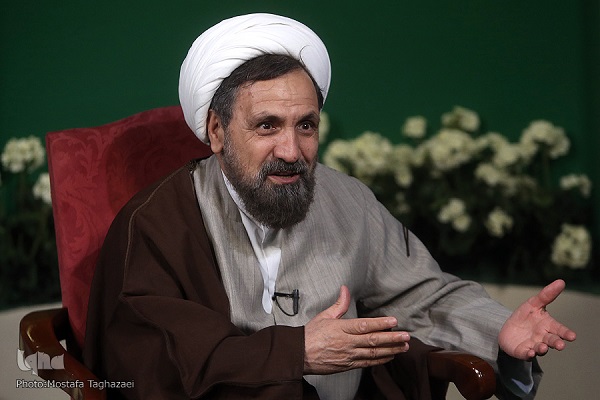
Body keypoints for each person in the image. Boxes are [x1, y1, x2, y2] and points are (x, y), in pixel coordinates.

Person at [83, 13, 576, 400]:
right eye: (267, 126)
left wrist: (498, 329)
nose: (291, 151)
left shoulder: (347, 200)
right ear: (217, 131)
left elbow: (422, 295)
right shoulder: (157, 223)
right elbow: (150, 364)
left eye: (306, 126)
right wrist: (296, 353)